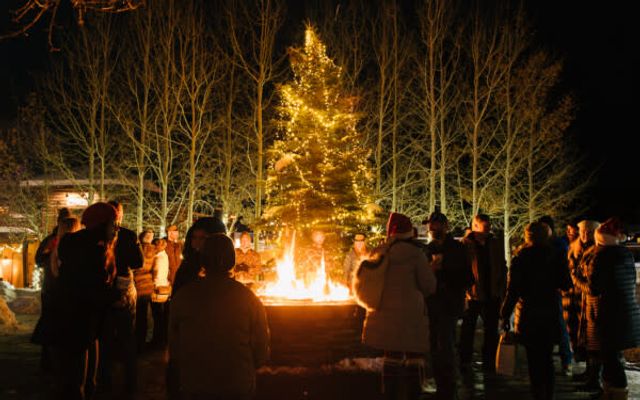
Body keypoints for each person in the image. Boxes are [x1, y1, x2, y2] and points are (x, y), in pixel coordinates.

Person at [169, 234, 270, 400]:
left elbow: (174, 349)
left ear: (203, 259)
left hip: (195, 384)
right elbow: (261, 353)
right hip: (237, 385)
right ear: (232, 260)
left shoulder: (183, 296)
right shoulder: (249, 299)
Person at [357, 212, 437, 400]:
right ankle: (412, 393)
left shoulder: (379, 252)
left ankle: (390, 393)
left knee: (391, 356)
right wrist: (432, 269)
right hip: (411, 315)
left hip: (384, 313)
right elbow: (429, 286)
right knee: (413, 357)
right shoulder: (416, 254)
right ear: (409, 232)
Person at [51, 203, 120, 400]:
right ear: (101, 224)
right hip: (77, 317)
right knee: (76, 376)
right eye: (113, 223)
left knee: (80, 371)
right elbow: (90, 286)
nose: (116, 228)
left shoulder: (87, 244)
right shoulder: (92, 249)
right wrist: (115, 296)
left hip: (80, 317)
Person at [501, 222, 572, 400]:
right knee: (547, 358)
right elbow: (566, 284)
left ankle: (537, 393)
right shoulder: (556, 256)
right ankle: (548, 394)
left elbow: (513, 290)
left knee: (534, 360)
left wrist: (504, 313)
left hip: (528, 313)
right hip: (550, 311)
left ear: (527, 237)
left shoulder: (520, 259)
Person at [579, 218, 640, 400]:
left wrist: (577, 278)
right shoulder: (625, 254)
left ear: (600, 237)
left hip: (607, 315)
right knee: (612, 358)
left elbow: (593, 288)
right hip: (624, 314)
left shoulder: (601, 257)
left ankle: (617, 395)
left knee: (611, 360)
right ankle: (610, 394)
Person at [424, 211, 473, 400]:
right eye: (430, 225)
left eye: (436, 225)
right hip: (432, 303)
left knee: (445, 343)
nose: (432, 229)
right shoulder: (427, 250)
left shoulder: (457, 249)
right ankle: (441, 381)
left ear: (445, 227)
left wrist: (444, 273)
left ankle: (449, 383)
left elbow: (468, 277)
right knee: (434, 344)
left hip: (449, 303)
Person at [98, 200, 143, 395]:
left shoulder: (96, 236)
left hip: (103, 287)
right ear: (120, 215)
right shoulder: (128, 235)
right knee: (126, 337)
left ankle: (103, 382)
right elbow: (138, 261)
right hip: (124, 285)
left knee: (104, 337)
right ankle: (130, 384)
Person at [459, 214, 507, 374]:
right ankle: (465, 360)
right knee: (468, 330)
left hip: (491, 293)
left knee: (491, 330)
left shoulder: (494, 243)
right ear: (475, 227)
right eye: (485, 227)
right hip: (473, 295)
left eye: (488, 227)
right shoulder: (465, 245)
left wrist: (501, 290)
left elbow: (502, 266)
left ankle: (489, 361)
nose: (488, 230)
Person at [32, 208, 72, 372]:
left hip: (57, 288)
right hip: (53, 289)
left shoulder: (72, 240)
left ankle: (53, 363)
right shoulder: (52, 239)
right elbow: (39, 260)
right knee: (52, 324)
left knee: (56, 326)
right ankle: (49, 363)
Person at [538, 216, 573, 376]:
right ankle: (547, 362)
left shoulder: (558, 245)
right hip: (542, 293)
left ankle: (566, 361)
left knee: (560, 326)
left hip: (553, 293)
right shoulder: (537, 246)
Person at [568, 220, 600, 387]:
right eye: (582, 231)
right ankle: (589, 372)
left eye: (588, 232)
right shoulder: (574, 249)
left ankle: (593, 376)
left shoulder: (597, 251)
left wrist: (575, 276)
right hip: (574, 298)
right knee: (581, 336)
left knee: (592, 339)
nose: (585, 235)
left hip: (588, 298)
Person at [171, 216, 227, 296]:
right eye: (194, 237)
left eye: (202, 238)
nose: (196, 242)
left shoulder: (223, 267)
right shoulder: (188, 265)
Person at [134, 230, 156, 352]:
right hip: (145, 286)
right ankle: (141, 342)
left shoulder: (141, 249)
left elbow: (138, 266)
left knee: (140, 316)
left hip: (141, 286)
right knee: (142, 316)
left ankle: (139, 342)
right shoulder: (152, 250)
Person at [150, 238, 170, 348]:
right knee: (161, 316)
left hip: (158, 288)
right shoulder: (165, 255)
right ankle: (161, 339)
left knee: (158, 316)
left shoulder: (158, 258)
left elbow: (157, 273)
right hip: (164, 287)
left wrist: (153, 285)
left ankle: (158, 340)